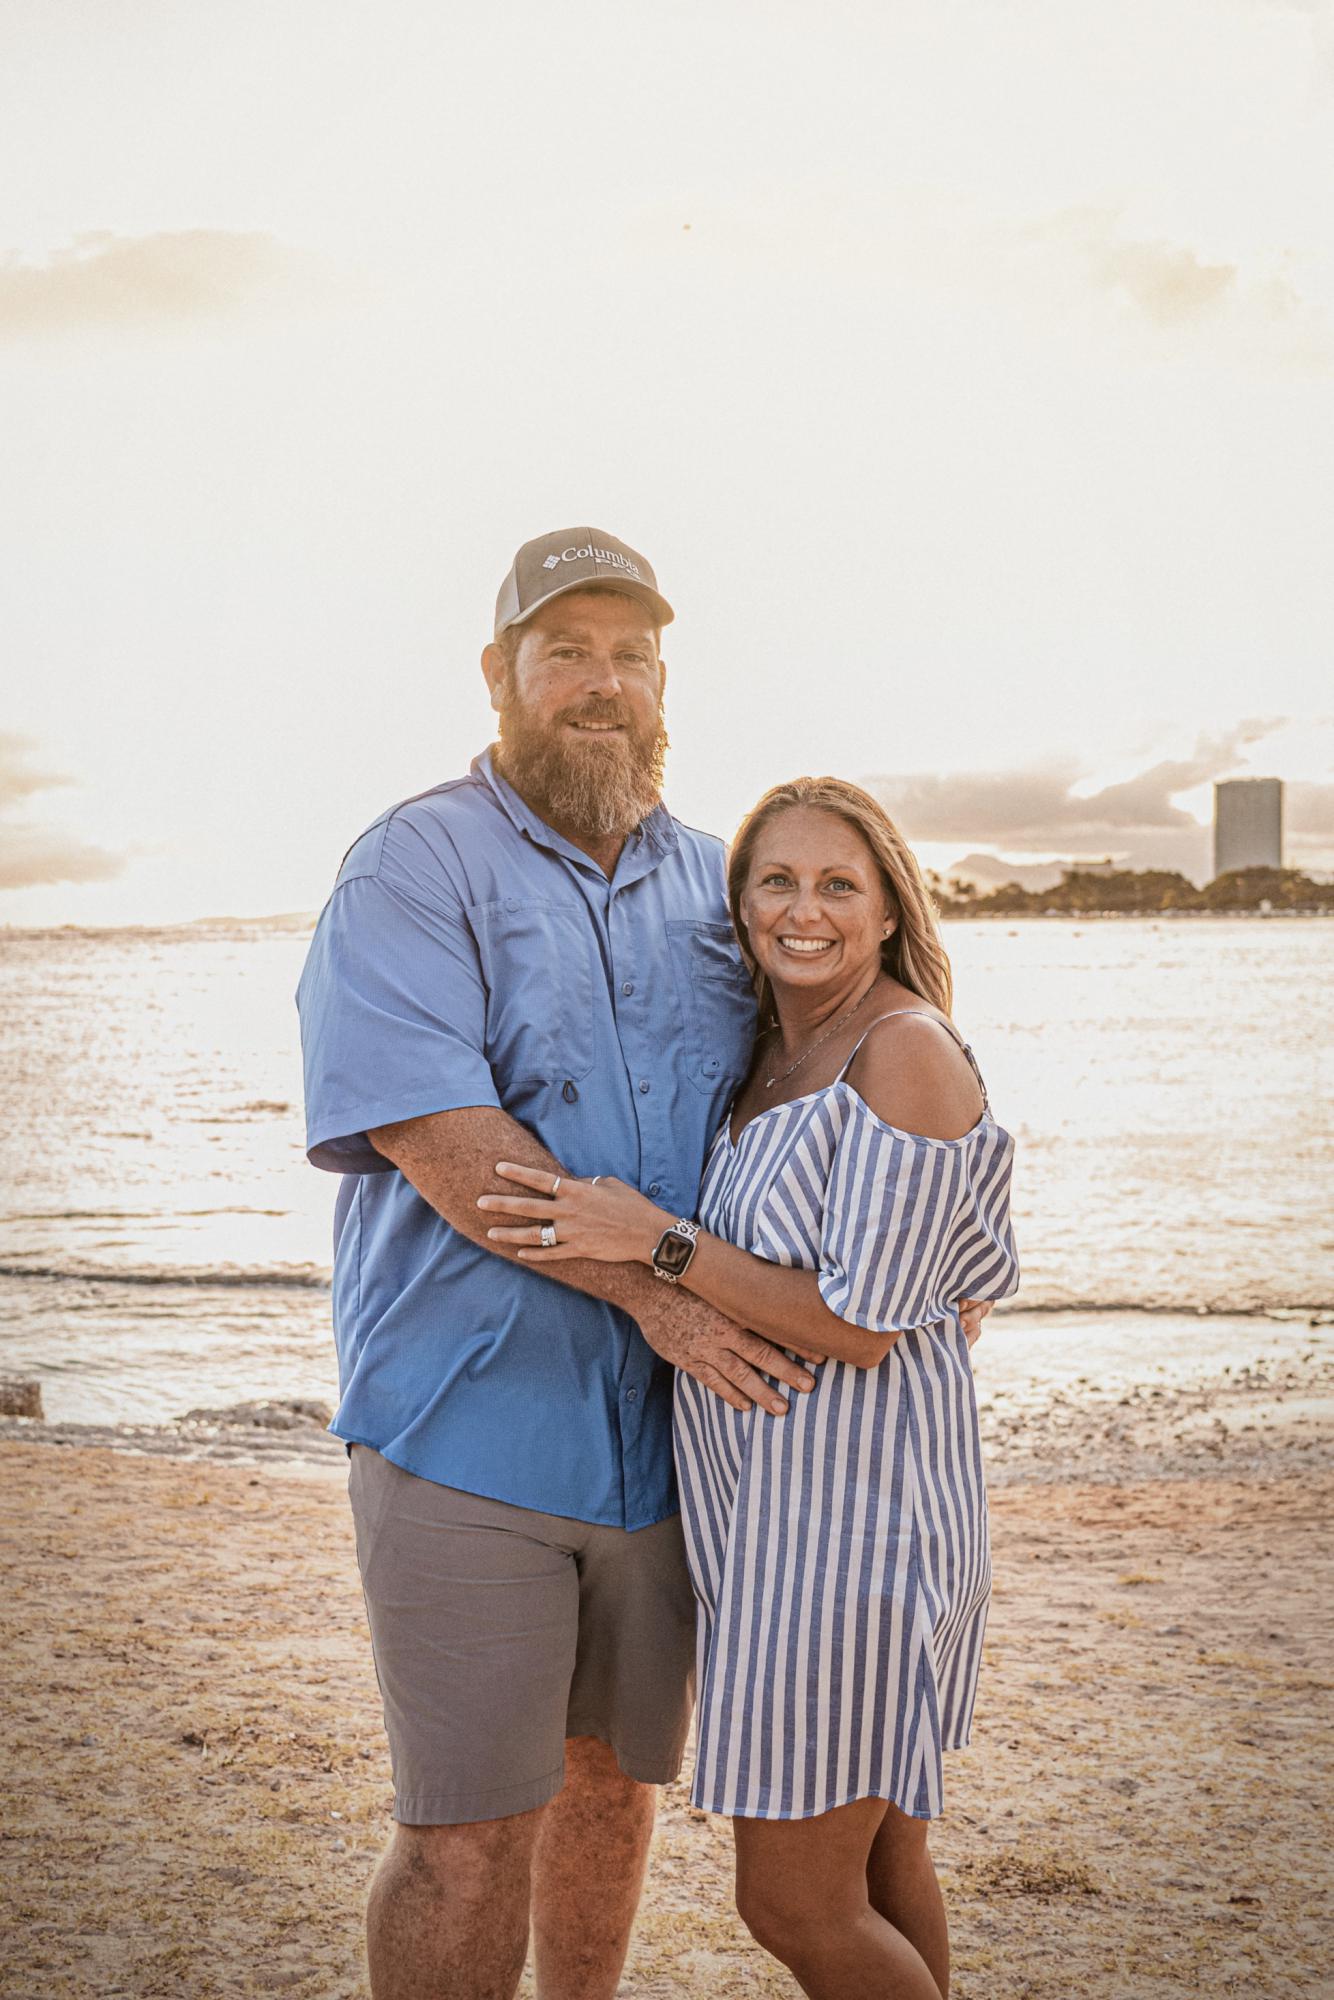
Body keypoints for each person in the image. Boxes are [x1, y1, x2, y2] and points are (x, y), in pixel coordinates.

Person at [295, 526, 823, 2000]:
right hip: (466, 1434)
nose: (604, 684)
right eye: (566, 651)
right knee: (465, 1834)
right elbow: (443, 1138)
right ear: (498, 676)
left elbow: (830, 1076)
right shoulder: (412, 864)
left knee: (612, 1796)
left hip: (673, 1454)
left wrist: (936, 1236)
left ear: (664, 681)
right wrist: (658, 1297)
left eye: (631, 656)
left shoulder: (725, 883)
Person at [479, 775, 1019, 2000]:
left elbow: (864, 1324)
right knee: (882, 1866)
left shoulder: (902, 1048)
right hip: (781, 1529)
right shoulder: (776, 1053)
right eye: (774, 879)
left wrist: (650, 1238)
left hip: (855, 1537)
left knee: (789, 1899)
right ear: (738, 905)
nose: (803, 909)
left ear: (887, 910)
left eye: (838, 884)